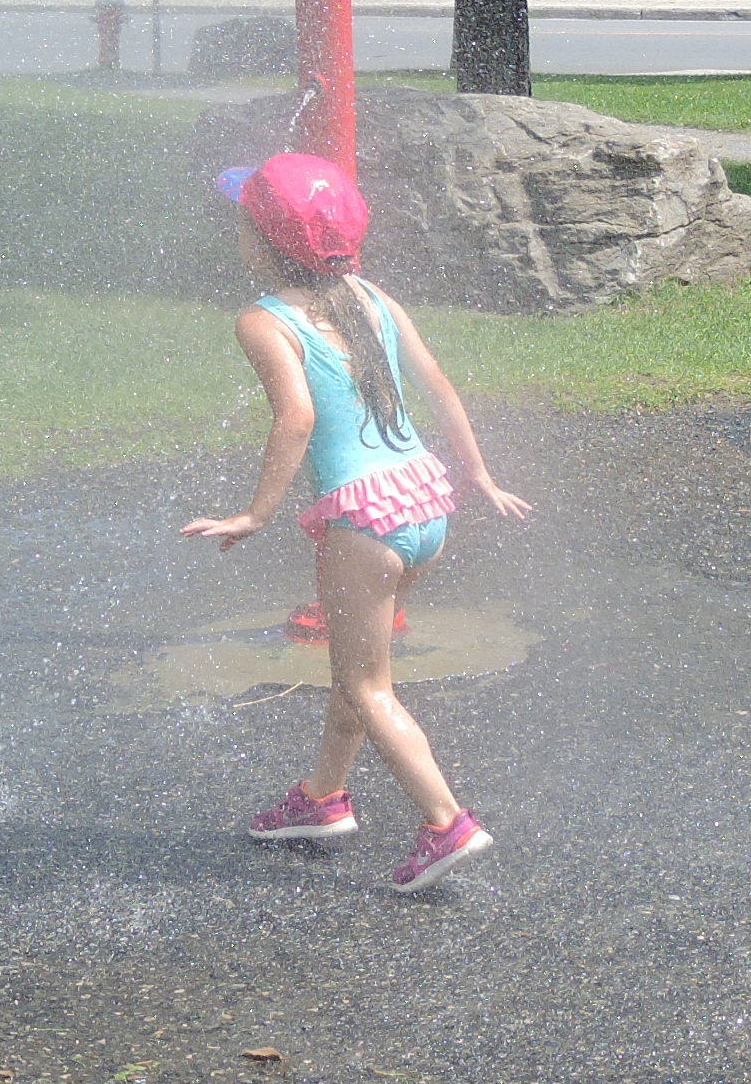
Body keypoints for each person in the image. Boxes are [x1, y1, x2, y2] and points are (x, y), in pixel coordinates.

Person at [181, 153, 533, 892]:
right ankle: (322, 798)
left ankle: (445, 823)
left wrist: (255, 513)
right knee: (358, 666)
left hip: (365, 521)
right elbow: (440, 387)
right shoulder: (371, 296)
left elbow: (296, 419)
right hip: (424, 501)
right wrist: (480, 477)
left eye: (243, 220)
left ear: (261, 240)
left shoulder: (263, 320)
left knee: (369, 687)